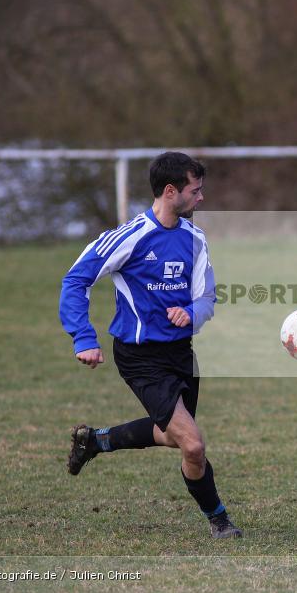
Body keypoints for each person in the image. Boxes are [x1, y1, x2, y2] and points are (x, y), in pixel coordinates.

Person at [58, 152, 242, 539]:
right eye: (196, 190)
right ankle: (220, 520)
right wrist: (84, 337)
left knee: (171, 434)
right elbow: (76, 280)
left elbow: (208, 297)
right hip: (140, 356)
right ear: (171, 191)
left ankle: (96, 440)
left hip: (181, 353)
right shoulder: (130, 237)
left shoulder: (195, 239)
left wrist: (191, 312)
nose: (201, 198)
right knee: (192, 444)